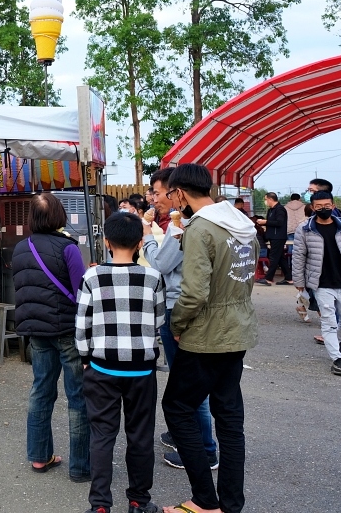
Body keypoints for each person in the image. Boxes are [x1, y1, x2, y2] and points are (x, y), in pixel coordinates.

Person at [162, 164, 259, 513]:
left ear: (181, 194)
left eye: (172, 194)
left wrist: (177, 323)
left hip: (205, 335)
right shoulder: (242, 224)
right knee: (230, 420)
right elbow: (247, 277)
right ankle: (231, 504)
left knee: (176, 407)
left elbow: (194, 293)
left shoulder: (200, 228)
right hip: (239, 329)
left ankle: (204, 499)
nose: (173, 200)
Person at [76, 212, 164, 513]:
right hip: (141, 368)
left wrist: (86, 358)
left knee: (102, 436)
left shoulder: (92, 277)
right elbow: (159, 320)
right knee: (140, 436)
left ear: (106, 242)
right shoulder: (153, 277)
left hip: (101, 367)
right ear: (140, 242)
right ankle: (139, 501)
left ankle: (100, 505)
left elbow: (81, 326)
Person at [141, 168, 218, 471]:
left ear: (177, 192)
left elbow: (160, 263)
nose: (155, 198)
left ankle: (204, 449)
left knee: (188, 383)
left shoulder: (182, 227)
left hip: (178, 308)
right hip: (187, 307)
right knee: (183, 379)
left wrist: (146, 237)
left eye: (160, 193)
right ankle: (181, 434)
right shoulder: (191, 223)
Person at [13, 192, 90, 483]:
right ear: (59, 216)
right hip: (68, 331)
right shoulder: (68, 248)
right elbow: (81, 291)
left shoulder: (20, 248)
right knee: (78, 398)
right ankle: (81, 466)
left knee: (41, 390)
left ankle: (39, 456)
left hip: (36, 331)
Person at [292, 191, 341, 377]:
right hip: (322, 284)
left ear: (333, 205)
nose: (323, 209)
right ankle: (337, 358)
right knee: (329, 321)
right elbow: (298, 256)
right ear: (312, 208)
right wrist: (299, 281)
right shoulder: (305, 229)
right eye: (319, 206)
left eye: (327, 206)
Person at [256, 192, 292, 285]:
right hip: (272, 236)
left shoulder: (280, 209)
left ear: (271, 199)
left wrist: (266, 222)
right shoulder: (271, 210)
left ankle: (268, 278)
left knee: (274, 258)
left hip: (278, 237)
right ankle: (289, 278)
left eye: (266, 199)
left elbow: (279, 222)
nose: (265, 201)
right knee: (280, 258)